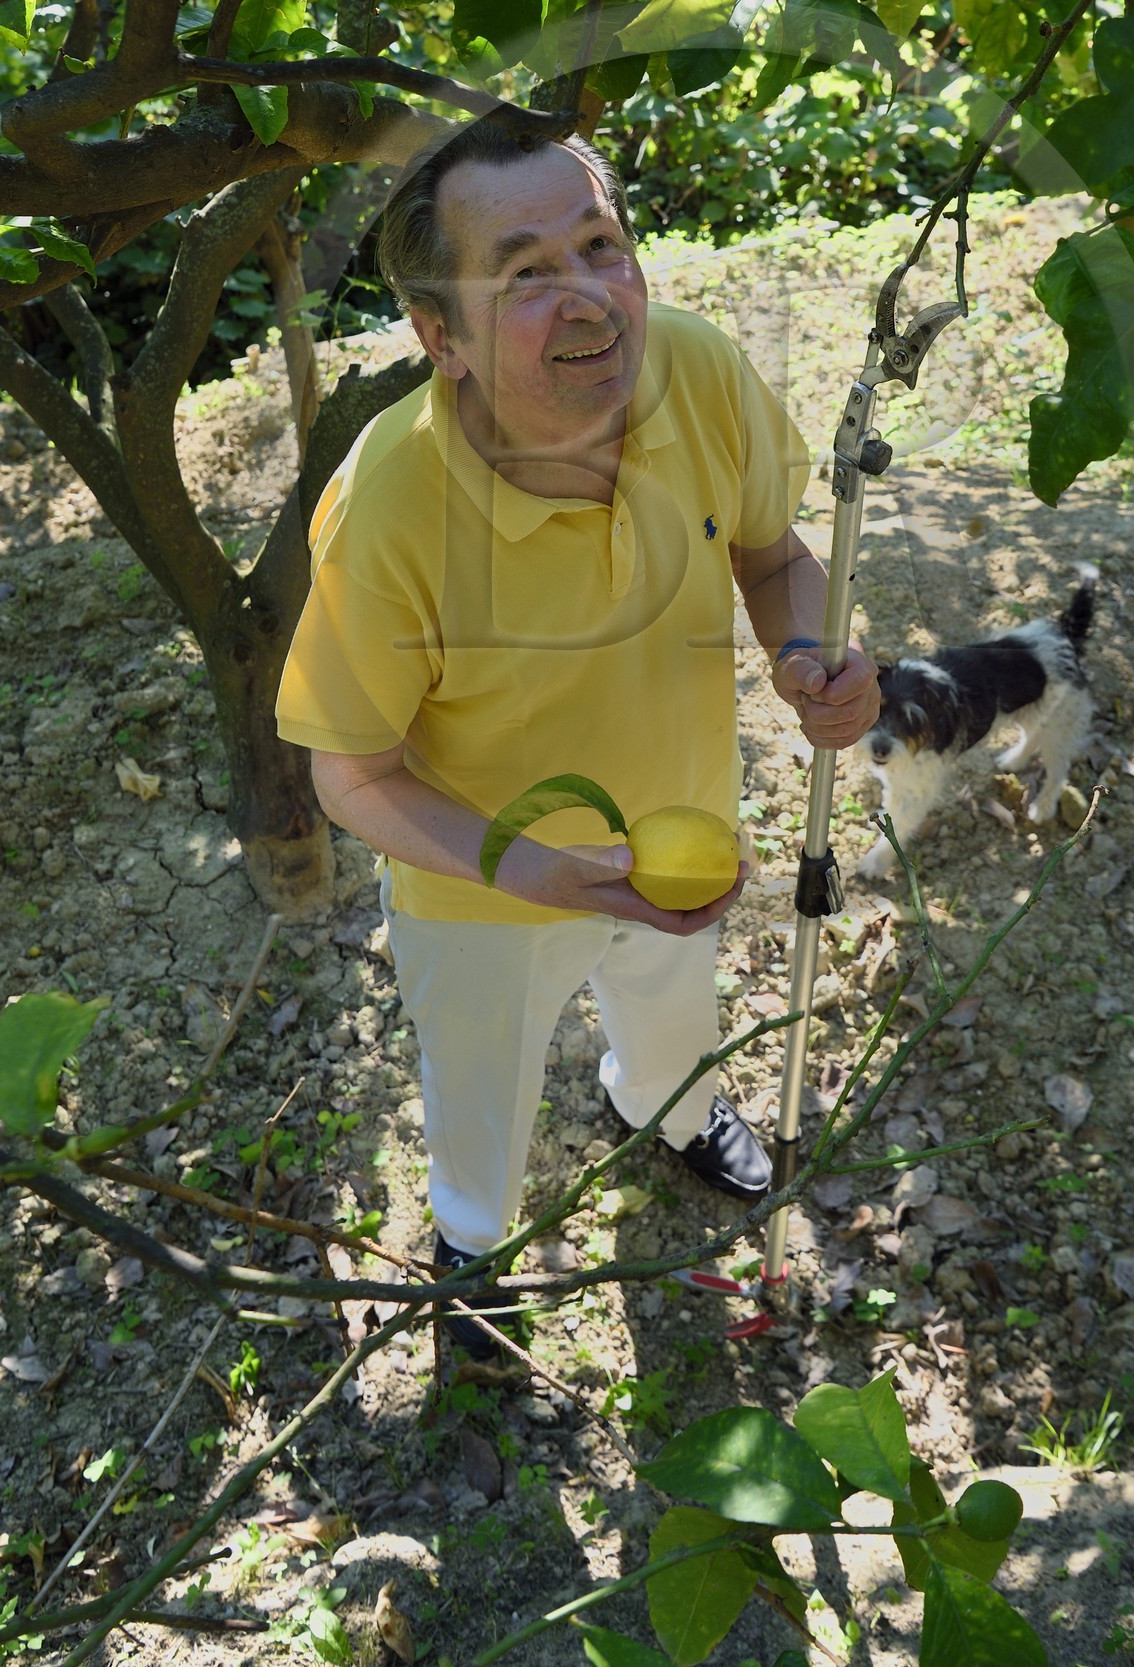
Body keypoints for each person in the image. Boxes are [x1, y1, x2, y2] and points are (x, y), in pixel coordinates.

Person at [277, 120, 879, 1355]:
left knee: (673, 1020)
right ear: (438, 335)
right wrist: (530, 867)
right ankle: (471, 1248)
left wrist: (808, 655)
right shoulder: (391, 506)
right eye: (525, 272)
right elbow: (352, 775)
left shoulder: (702, 375)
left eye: (599, 245)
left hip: (680, 839)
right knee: (479, 1100)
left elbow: (774, 555)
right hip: (482, 896)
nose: (589, 294)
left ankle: (668, 1113)